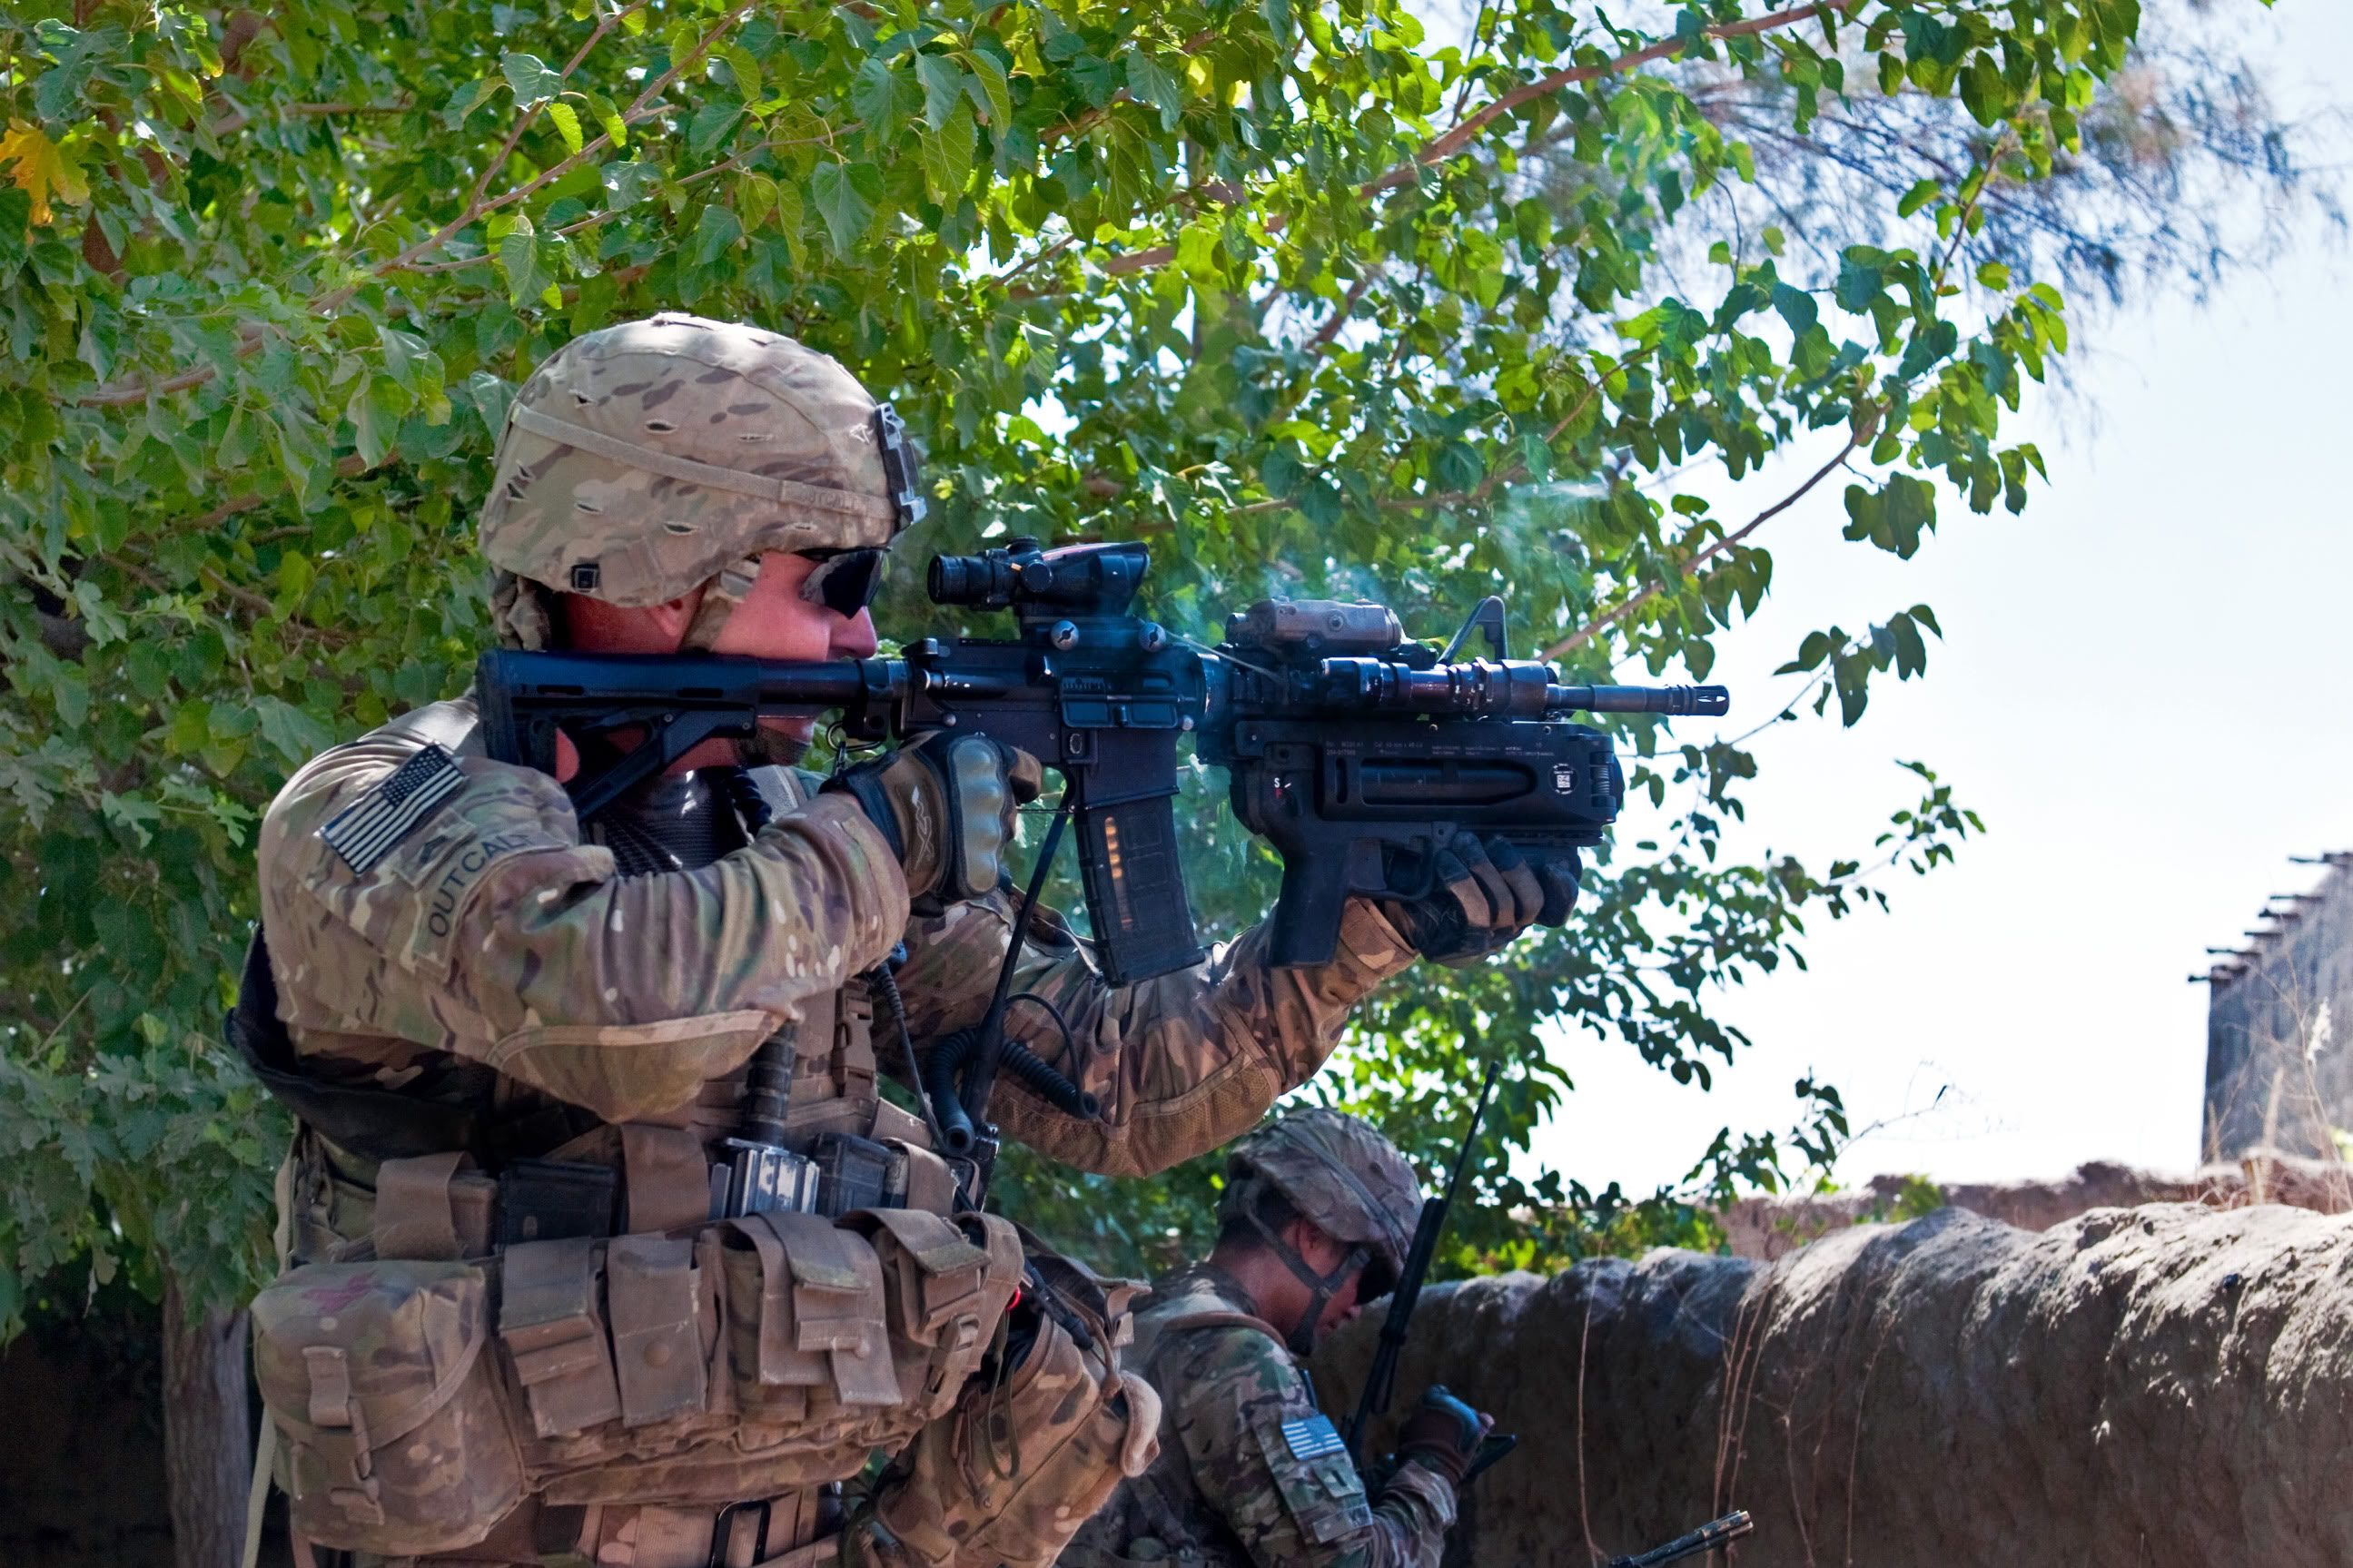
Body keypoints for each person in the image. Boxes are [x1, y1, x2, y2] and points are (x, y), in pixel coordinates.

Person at [233, 314, 1564, 1568]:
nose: (865, 632)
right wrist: (889, 830)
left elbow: (1117, 1085)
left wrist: (1364, 918)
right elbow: (607, 1007)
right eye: (836, 581)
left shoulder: (792, 833)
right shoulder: (385, 809)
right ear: (659, 569)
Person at [1062, 1109, 1494, 1568]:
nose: (1358, 1308)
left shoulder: (1145, 1308)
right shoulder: (1240, 1357)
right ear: (1312, 1236)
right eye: (1368, 1280)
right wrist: (1433, 1472)